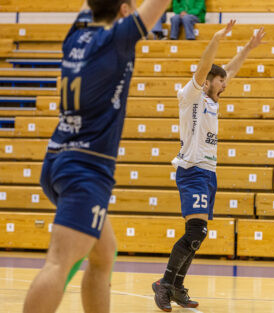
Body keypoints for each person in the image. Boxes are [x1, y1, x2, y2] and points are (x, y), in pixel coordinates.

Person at [22, 0, 170, 312]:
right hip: (85, 170)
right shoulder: (116, 38)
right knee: (58, 264)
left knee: (104, 254)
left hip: (58, 159)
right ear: (125, 11)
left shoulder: (75, 35)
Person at [151, 21, 265, 312]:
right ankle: (165, 285)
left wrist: (248, 49)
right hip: (192, 170)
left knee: (198, 234)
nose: (225, 84)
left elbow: (231, 70)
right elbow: (204, 68)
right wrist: (216, 38)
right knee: (196, 232)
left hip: (208, 173)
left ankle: (175, 285)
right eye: (220, 80)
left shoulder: (213, 101)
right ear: (207, 81)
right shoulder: (191, 97)